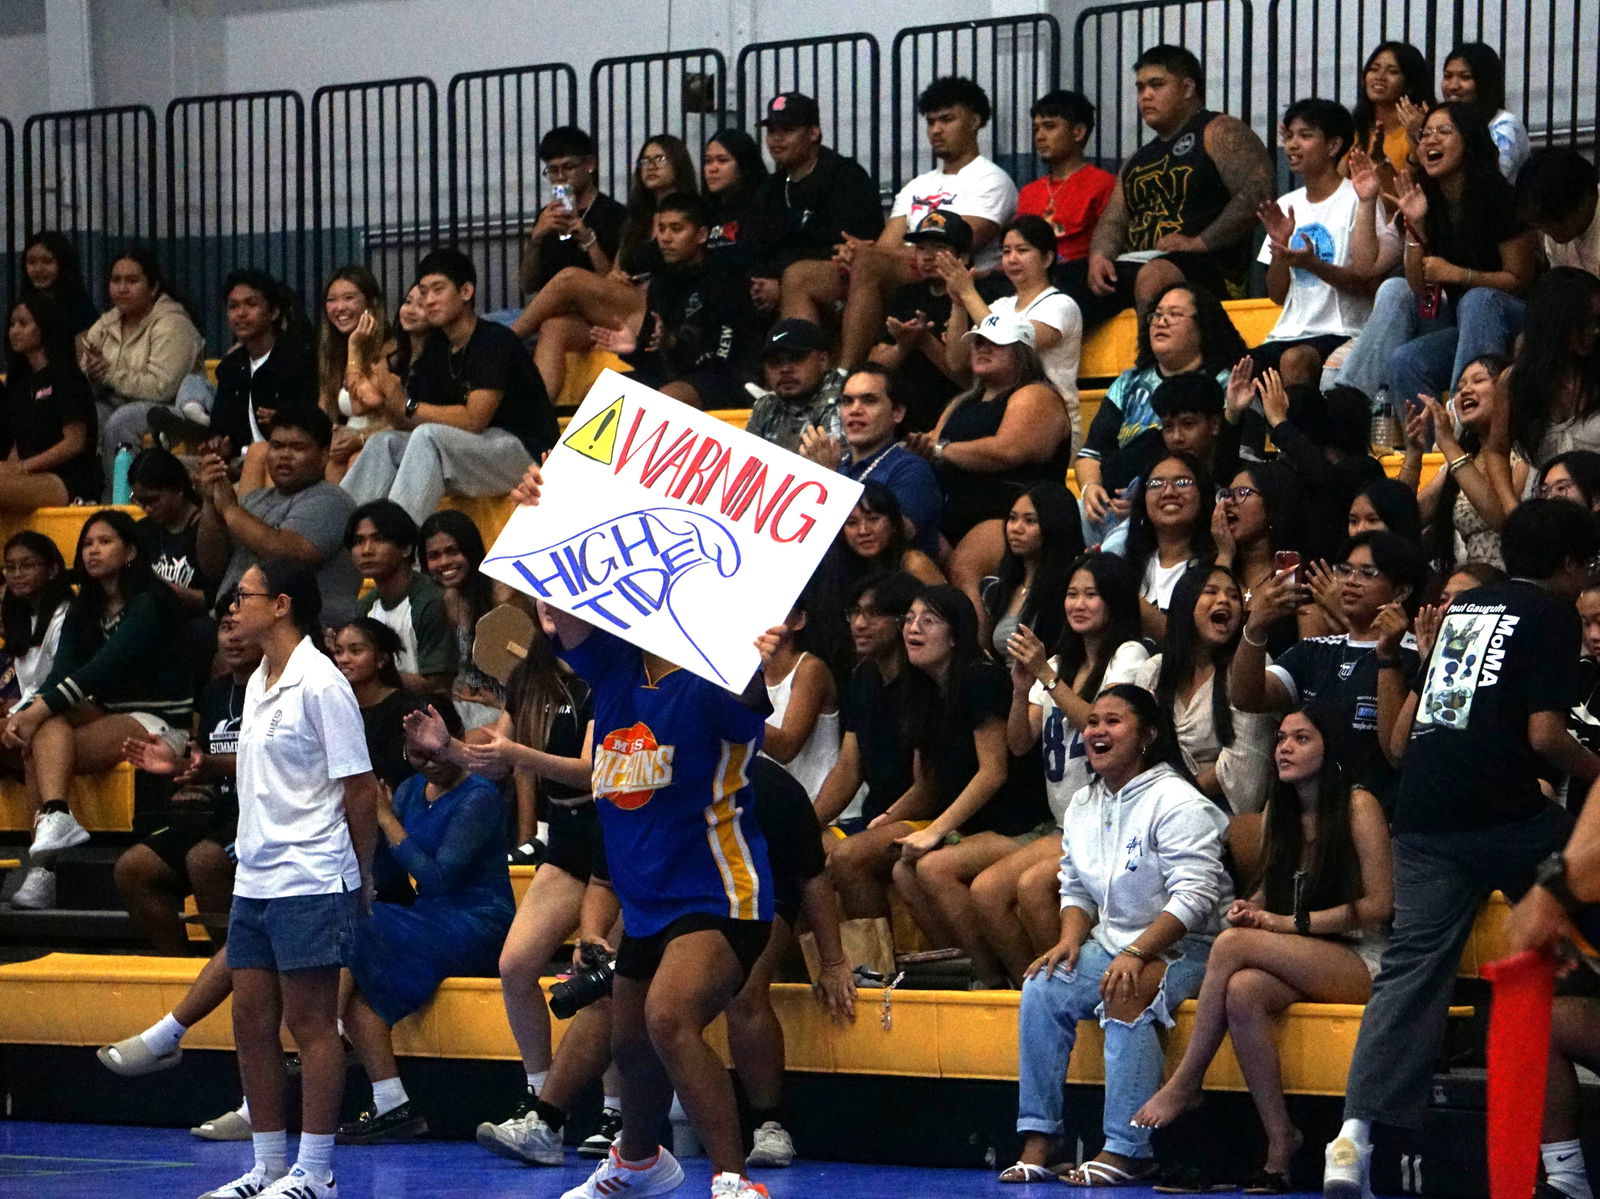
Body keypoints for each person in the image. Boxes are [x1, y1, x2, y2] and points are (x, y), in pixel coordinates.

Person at [503, 461, 781, 1198]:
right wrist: (540, 513)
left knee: (668, 1018)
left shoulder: (715, 676)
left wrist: (756, 656)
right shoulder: (617, 669)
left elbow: (751, 696)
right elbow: (560, 606)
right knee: (628, 1043)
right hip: (646, 901)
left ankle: (733, 1178)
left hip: (720, 892)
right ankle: (638, 1164)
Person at [1325, 499, 1600, 1199]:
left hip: (1423, 811)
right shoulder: (1554, 614)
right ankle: (1564, 1164)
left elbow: (1418, 731)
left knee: (1409, 974)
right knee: (1586, 877)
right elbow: (1544, 736)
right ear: (1573, 564)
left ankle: (1352, 1138)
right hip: (1505, 811)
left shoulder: (1465, 608)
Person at [1132, 706, 1393, 1189]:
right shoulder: (1282, 809)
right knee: (1244, 991)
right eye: (1281, 739)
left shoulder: (1359, 805)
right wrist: (1250, 908)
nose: (1285, 748)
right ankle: (1280, 1140)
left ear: (1330, 748)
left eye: (1301, 738)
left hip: (1363, 957)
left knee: (1231, 946)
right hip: (1304, 952)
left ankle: (1186, 1081)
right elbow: (1270, 891)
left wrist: (1289, 924)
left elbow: (1379, 906)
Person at [195, 560, 382, 1199]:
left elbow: (360, 787)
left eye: (242, 596)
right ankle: (268, 1166)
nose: (231, 606)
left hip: (311, 873)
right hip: (256, 876)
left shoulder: (322, 683)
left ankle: (316, 1171)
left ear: (280, 604)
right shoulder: (256, 680)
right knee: (250, 1020)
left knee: (310, 1023)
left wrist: (361, 874)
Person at [1004, 684, 1230, 1186]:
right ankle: (1042, 1137)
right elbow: (1075, 887)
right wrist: (1069, 938)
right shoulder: (1084, 803)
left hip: (1192, 947)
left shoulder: (1177, 800)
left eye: (1113, 721)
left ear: (1147, 736)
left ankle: (1128, 1150)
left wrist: (1137, 950)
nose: (1097, 731)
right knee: (1043, 987)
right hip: (1115, 943)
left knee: (1125, 989)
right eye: (1092, 722)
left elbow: (1195, 898)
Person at [333, 699, 515, 1145]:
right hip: (430, 918)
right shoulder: (412, 790)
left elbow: (437, 878)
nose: (429, 763)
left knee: (356, 926)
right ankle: (393, 1105)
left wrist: (386, 819)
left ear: (454, 740)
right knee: (359, 985)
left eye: (436, 752)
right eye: (417, 755)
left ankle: (324, 1034)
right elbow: (393, 872)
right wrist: (370, 828)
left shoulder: (480, 796)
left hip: (480, 921)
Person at [974, 551, 1151, 987]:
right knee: (986, 891)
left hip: (1111, 817)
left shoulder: (1129, 654)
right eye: (1072, 594)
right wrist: (1021, 690)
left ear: (1114, 600)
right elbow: (1019, 743)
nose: (1078, 603)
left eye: (1091, 594)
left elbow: (1100, 724)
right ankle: (1030, 990)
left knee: (1033, 886)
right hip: (1067, 821)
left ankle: (1071, 990)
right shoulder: (1056, 663)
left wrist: (1045, 676)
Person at [2, 510, 193, 910]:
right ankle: (56, 818)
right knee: (41, 725)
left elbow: (102, 668)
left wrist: (33, 713)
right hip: (107, 713)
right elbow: (62, 673)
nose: (93, 551)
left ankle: (43, 870)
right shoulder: (85, 608)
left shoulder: (150, 602)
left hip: (160, 720)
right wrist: (27, 713)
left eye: (105, 542)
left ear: (130, 552)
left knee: (40, 734)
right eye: (87, 543)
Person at [888, 585, 1049, 990]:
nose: (913, 628)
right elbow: (927, 782)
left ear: (955, 635)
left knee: (933, 867)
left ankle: (999, 983)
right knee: (903, 871)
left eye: (928, 620)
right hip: (980, 827)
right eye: (909, 619)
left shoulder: (980, 679)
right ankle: (967, 975)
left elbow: (994, 772)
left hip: (1024, 824)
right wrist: (887, 819)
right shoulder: (924, 689)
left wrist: (934, 831)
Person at [1336, 103, 1535, 410]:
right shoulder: (1425, 200)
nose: (1431, 139)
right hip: (1460, 324)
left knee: (1478, 300)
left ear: (1469, 141)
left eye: (1444, 131)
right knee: (1405, 357)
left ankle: (1462, 419)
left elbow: (1521, 280)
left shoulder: (1501, 198)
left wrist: (1459, 275)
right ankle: (1351, 400)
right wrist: (1415, 227)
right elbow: (1417, 285)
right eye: (1426, 133)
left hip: (1511, 322)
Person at [341, 247, 558, 523]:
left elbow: (474, 419)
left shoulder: (494, 340)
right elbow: (407, 420)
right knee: (384, 443)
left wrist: (405, 404)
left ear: (466, 292)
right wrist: (389, 402)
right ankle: (340, 535)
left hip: (528, 453)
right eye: (423, 292)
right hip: (473, 452)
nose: (428, 300)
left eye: (438, 290)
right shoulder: (436, 351)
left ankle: (396, 538)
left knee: (429, 437)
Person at [1234, 529, 1424, 811]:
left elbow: (1398, 753)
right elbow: (1247, 698)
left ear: (1401, 591)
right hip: (1313, 812)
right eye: (1344, 570)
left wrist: (1387, 657)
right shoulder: (1316, 649)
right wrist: (1255, 628)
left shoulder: (1416, 655)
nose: (1351, 581)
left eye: (1368, 573)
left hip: (1381, 811)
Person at [835, 76, 1019, 369]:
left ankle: (843, 375)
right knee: (801, 275)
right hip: (911, 278)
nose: (936, 130)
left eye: (947, 120)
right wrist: (859, 254)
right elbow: (887, 246)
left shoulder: (992, 180)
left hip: (964, 282)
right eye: (931, 122)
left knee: (867, 262)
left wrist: (867, 254)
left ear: (975, 121)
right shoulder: (917, 185)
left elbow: (958, 246)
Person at [1082, 45, 1273, 321]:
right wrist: (1099, 257)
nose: (1146, 95)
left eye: (1157, 85)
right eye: (1140, 88)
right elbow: (1113, 220)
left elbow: (1258, 194)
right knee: (1060, 285)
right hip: (1137, 263)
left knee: (1155, 276)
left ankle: (1149, 350)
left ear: (1187, 88)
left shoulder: (1219, 130)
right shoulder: (1137, 158)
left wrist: (1199, 242)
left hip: (1207, 267)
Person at [111, 616, 259, 957]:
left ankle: (236, 968)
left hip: (266, 816)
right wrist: (178, 767)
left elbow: (278, 761)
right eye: (226, 628)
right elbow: (205, 763)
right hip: (223, 815)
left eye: (243, 629)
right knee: (134, 868)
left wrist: (210, 765)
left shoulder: (280, 690)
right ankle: (179, 968)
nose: (233, 637)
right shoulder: (214, 693)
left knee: (205, 860)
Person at [510, 133, 696, 399]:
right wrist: (537, 238)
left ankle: (505, 340)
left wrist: (589, 241)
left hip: (655, 304)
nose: (651, 166)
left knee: (570, 278)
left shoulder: (690, 214)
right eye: (645, 161)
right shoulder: (637, 219)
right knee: (554, 326)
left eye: (660, 159)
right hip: (619, 304)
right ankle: (537, 411)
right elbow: (610, 274)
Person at [1074, 283, 1247, 553]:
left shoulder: (1228, 385)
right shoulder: (1128, 383)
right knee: (1057, 519)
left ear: (1202, 325)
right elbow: (1091, 453)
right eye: (1156, 314)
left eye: (1174, 314)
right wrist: (1091, 488)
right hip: (1115, 499)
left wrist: (1146, 501)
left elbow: (1227, 464)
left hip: (1180, 503)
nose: (1161, 322)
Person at [912, 315, 1071, 591]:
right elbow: (930, 444)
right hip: (951, 511)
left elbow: (1006, 451)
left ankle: (967, 621)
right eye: (978, 342)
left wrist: (940, 450)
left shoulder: (1036, 394)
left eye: (996, 343)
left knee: (964, 566)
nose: (982, 348)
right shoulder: (962, 401)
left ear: (1021, 351)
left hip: (1013, 514)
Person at [1252, 103, 1400, 385]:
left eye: (1305, 135)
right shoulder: (1286, 204)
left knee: (1294, 361)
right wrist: (1280, 248)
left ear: (1333, 146)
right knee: (1238, 371)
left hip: (1343, 331)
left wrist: (1314, 264)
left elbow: (1368, 285)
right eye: (1289, 136)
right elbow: (1278, 295)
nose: (1292, 145)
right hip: (1288, 333)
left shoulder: (1359, 199)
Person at [199, 404, 362, 630]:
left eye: (297, 447)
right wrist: (210, 502)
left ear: (324, 455)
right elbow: (212, 566)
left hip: (300, 632)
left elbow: (287, 555)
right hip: (232, 626)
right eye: (276, 446)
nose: (284, 455)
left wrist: (229, 510)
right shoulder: (253, 500)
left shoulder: (332, 501)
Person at [589, 191, 754, 408]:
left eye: (676, 229)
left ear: (701, 235)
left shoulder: (725, 281)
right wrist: (635, 349)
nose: (665, 238)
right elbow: (654, 361)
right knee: (597, 391)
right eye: (661, 229)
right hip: (673, 376)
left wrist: (673, 344)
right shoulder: (661, 284)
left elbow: (722, 360)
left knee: (669, 395)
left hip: (723, 379)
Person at [1134, 561, 1276, 814]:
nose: (1224, 600)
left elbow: (1245, 775)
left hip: (1221, 813)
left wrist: (1172, 800)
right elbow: (1135, 751)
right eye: (1211, 591)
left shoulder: (1250, 667)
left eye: (1234, 596)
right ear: (1184, 604)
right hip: (1153, 808)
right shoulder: (1154, 670)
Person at [943, 214, 1084, 445]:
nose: (1012, 259)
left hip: (1048, 421)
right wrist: (958, 302)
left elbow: (1012, 343)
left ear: (1047, 258)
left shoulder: (1061, 304)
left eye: (1022, 250)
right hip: (994, 413)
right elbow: (957, 362)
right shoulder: (999, 306)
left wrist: (968, 293)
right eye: (1006, 251)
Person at [744, 92, 883, 324]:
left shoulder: (845, 178)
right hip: (778, 286)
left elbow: (851, 244)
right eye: (771, 131)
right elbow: (756, 245)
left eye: (787, 130)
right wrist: (761, 281)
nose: (776, 139)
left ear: (813, 133)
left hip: (842, 283)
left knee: (798, 278)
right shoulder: (771, 187)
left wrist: (781, 281)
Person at [78, 248, 206, 486]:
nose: (122, 288)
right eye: (116, 280)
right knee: (82, 416)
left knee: (122, 421)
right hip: (115, 401)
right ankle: (86, 491)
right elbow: (87, 382)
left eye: (132, 281)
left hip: (168, 408)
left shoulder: (173, 324)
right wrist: (92, 373)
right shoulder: (106, 324)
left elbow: (162, 388)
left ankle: (124, 498)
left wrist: (108, 375)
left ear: (154, 287)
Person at [813, 571, 924, 835]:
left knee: (848, 855)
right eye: (855, 612)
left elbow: (929, 787)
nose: (858, 624)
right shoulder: (863, 676)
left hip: (922, 819)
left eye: (873, 613)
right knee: (804, 847)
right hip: (874, 815)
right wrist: (806, 827)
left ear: (903, 620)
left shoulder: (925, 683)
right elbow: (848, 768)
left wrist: (875, 830)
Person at [796, 362, 944, 556]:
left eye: (869, 400)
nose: (855, 410)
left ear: (897, 413)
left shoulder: (911, 469)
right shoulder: (840, 466)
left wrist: (829, 480)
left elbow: (888, 541)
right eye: (847, 401)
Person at [1406, 355, 1524, 573]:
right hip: (1466, 578)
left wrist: (1449, 445)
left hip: (1510, 577)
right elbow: (1407, 518)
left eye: (1478, 380)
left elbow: (1501, 519)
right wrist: (1414, 451)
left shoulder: (1525, 452)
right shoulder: (1462, 457)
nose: (1465, 391)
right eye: (1460, 387)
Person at [185, 270, 316, 464]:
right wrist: (220, 445)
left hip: (285, 463)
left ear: (274, 312)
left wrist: (286, 422)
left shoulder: (298, 361)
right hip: (238, 463)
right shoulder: (230, 368)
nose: (241, 313)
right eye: (233, 306)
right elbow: (223, 430)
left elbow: (313, 424)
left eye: (251, 304)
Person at [867, 211, 979, 432]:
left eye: (939, 248)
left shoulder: (979, 298)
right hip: (902, 417)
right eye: (921, 248)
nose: (927, 257)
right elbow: (874, 368)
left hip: (958, 416)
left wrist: (926, 341)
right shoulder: (907, 295)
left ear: (963, 257)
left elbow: (972, 381)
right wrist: (902, 346)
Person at [417, 509, 521, 734]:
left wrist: (502, 703)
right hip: (465, 708)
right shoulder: (449, 598)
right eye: (434, 556)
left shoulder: (503, 595)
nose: (444, 562)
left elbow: (530, 668)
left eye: (452, 551)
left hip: (511, 709)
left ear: (471, 550)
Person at [0, 294, 102, 509]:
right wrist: (9, 468)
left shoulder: (66, 375)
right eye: (12, 324)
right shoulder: (19, 383)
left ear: (44, 327)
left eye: (23, 324)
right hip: (31, 473)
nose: (14, 331)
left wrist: (22, 468)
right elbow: (18, 442)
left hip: (69, 477)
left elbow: (74, 442)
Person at [347, 500, 458, 695]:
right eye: (358, 541)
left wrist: (372, 671)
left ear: (406, 548)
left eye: (378, 539)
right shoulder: (365, 605)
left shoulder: (431, 601)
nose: (366, 550)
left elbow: (438, 686)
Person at [517, 126, 628, 301]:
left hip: (594, 306)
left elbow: (615, 287)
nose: (560, 177)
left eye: (568, 167)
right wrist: (536, 239)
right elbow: (526, 285)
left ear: (590, 164)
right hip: (552, 306)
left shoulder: (615, 214)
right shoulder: (547, 216)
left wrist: (589, 241)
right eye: (553, 170)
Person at [1015, 89, 1116, 272]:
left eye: (1050, 126)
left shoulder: (1103, 184)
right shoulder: (1029, 192)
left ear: (1078, 132)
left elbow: (1110, 242)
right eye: (1036, 129)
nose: (1039, 136)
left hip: (1077, 274)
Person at [980, 482, 1083, 660]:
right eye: (1012, 518)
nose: (1016, 528)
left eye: (1030, 521)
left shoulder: (1070, 587)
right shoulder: (1003, 587)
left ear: (1055, 525)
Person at [1507, 268, 1600, 463]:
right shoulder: (1518, 381)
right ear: (1558, 321)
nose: (1595, 330)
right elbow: (1495, 449)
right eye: (1586, 321)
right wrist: (1505, 486)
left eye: (1597, 320)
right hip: (1543, 482)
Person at [0, 532, 71, 781]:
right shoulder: (20, 619)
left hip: (62, 710)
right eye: (10, 567)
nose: (17, 574)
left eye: (27, 565)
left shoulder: (65, 616)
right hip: (29, 712)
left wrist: (17, 712)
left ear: (52, 570)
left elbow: (60, 680)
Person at [330, 619, 431, 792]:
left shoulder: (406, 709)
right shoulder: (336, 706)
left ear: (381, 659)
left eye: (355, 651)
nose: (343, 659)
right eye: (338, 652)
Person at [758, 591, 840, 802]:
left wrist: (735, 709)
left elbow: (786, 749)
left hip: (819, 804)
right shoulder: (753, 673)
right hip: (777, 803)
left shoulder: (810, 668)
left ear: (800, 620)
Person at [1124, 450, 1213, 640]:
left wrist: (1121, 591)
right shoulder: (1129, 565)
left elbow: (1194, 645)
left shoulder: (1217, 566)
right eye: (1156, 484)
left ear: (1203, 494)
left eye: (1182, 482)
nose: (1169, 492)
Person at [130, 447, 214, 614]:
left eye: (152, 500)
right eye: (139, 501)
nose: (147, 508)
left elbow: (216, 598)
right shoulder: (142, 530)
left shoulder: (208, 530)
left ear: (179, 488)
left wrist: (168, 592)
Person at [744, 319, 844, 452]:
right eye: (775, 362)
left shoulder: (846, 400)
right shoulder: (765, 407)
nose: (785, 369)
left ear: (823, 360)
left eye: (796, 358)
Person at [1438, 43, 1529, 181]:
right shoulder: (1447, 122)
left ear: (1485, 82)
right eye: (1448, 76)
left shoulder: (1505, 125)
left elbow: (1492, 178)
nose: (1453, 86)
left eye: (1465, 77)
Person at [1351, 41, 1435, 180]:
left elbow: (1405, 188)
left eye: (1393, 72)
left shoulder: (1418, 130)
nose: (1380, 77)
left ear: (1410, 85)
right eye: (1374, 69)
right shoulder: (1355, 130)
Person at [1517, 148, 1600, 277]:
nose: (1547, 232)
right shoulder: (1556, 234)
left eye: (1551, 224)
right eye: (1540, 225)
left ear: (1584, 202)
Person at [701, 128, 768, 274]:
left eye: (722, 160)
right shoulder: (704, 212)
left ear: (744, 164)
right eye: (708, 161)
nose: (712, 169)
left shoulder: (763, 208)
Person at [19, 230, 99, 334]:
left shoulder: (80, 309)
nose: (38, 269)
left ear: (63, 264)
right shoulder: (21, 307)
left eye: (47, 261)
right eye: (32, 262)